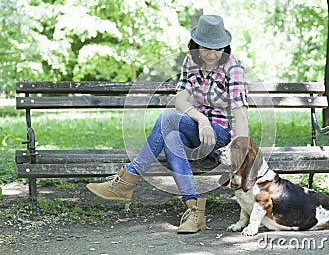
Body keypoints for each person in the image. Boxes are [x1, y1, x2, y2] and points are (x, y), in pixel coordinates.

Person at [86, 15, 249, 234]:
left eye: (218, 49)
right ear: (196, 45)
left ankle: (127, 179)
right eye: (206, 48)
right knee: (171, 137)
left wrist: (240, 156)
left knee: (167, 118)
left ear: (225, 47)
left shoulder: (233, 67)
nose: (212, 54)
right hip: (196, 131)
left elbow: (240, 112)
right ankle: (195, 212)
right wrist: (201, 120)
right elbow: (181, 99)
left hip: (220, 140)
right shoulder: (191, 61)